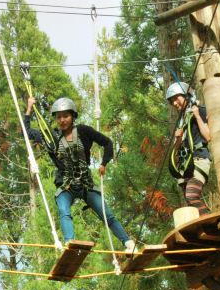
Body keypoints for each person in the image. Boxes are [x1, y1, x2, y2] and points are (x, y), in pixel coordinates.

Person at [24, 95, 136, 252]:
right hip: (66, 184)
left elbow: (107, 143)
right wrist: (29, 108)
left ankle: (128, 243)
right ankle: (70, 242)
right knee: (64, 212)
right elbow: (27, 132)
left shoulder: (84, 131)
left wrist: (104, 163)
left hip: (85, 183)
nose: (62, 120)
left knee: (107, 214)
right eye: (59, 117)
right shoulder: (51, 137)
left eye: (66, 116)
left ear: (73, 116)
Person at [165, 82, 212, 216]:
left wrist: (197, 115)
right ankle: (203, 224)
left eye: (176, 98)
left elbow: (208, 136)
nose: (174, 103)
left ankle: (210, 222)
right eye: (172, 101)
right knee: (189, 200)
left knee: (191, 195)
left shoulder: (200, 110)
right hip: (185, 164)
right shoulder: (181, 120)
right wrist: (178, 139)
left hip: (199, 158)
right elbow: (178, 147)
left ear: (187, 95)